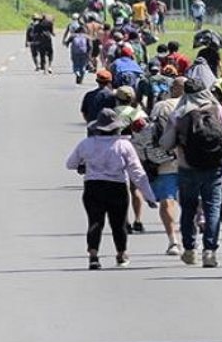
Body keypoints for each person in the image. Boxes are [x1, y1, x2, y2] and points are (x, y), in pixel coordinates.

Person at [159, 78, 222, 268]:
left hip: (187, 167)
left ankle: (190, 250)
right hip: (215, 168)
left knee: (188, 208)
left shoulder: (179, 114)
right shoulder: (220, 112)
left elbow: (165, 143)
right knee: (212, 207)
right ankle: (209, 251)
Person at [65, 108, 158, 270]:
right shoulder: (124, 145)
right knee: (119, 223)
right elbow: (137, 172)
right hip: (117, 187)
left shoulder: (86, 144)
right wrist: (149, 196)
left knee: (95, 221)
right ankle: (121, 253)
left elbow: (70, 164)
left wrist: (83, 165)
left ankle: (93, 256)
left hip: (93, 186)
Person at [148, 77, 188, 256]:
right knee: (192, 201)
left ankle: (173, 241)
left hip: (167, 160)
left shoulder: (162, 106)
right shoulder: (202, 105)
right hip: (193, 161)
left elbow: (151, 132)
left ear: (173, 89)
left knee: (167, 199)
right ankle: (192, 238)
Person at [115, 85, 149, 234]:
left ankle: (125, 221)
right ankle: (138, 220)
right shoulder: (137, 113)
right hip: (135, 149)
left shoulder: (111, 113)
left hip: (115, 149)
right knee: (135, 188)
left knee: (121, 188)